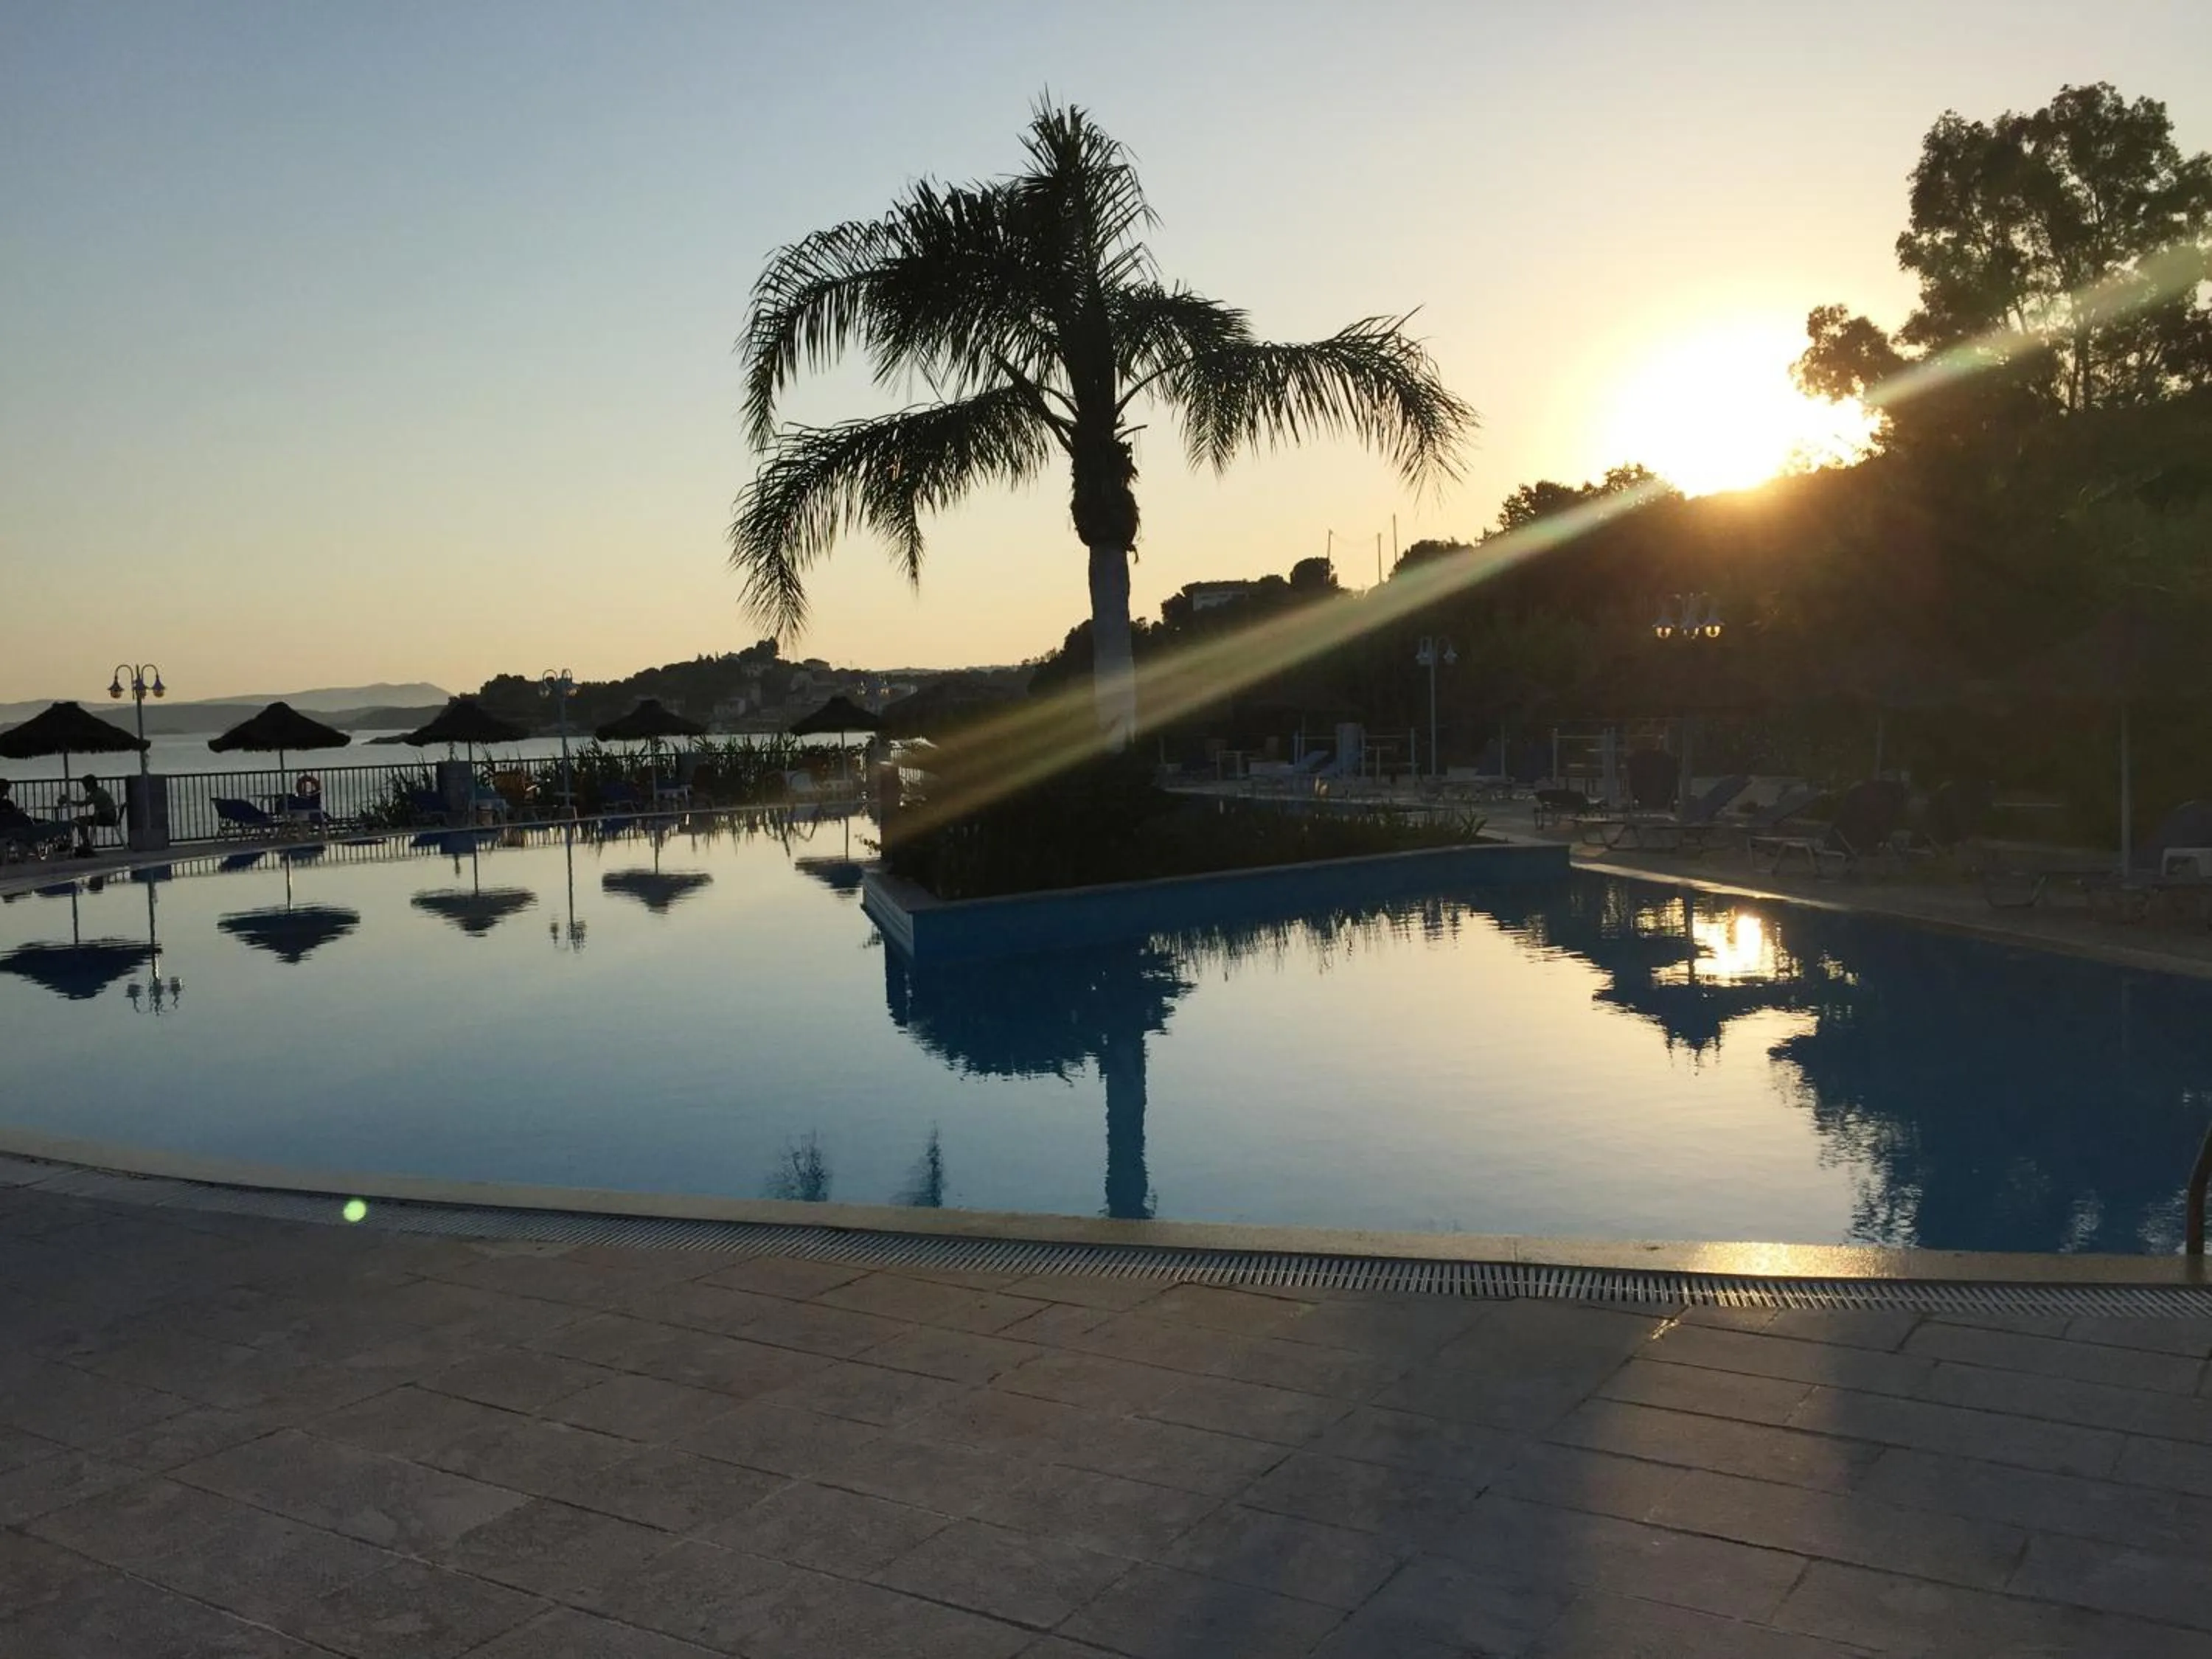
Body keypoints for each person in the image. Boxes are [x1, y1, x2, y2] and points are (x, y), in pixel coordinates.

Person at [66, 773, 119, 855]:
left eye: (85, 785)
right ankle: (86, 843)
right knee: (79, 820)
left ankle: (86, 843)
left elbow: (83, 804)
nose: (85, 787)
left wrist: (68, 801)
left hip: (106, 817)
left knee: (79, 821)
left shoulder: (97, 794)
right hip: (104, 816)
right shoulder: (98, 792)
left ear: (90, 784)